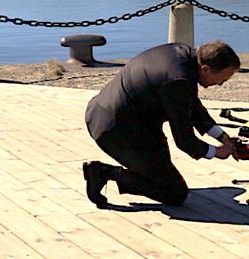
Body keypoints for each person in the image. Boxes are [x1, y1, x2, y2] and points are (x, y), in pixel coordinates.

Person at [83, 40, 240, 207]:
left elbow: (192, 106)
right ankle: (104, 173)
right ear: (206, 69)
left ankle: (144, 173)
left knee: (161, 174)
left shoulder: (182, 55)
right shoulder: (177, 79)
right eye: (221, 79)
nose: (220, 84)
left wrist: (223, 137)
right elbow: (184, 140)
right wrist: (216, 152)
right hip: (118, 131)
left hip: (108, 114)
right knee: (174, 193)